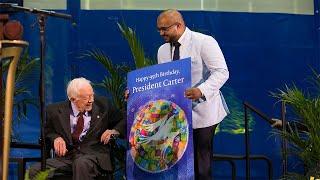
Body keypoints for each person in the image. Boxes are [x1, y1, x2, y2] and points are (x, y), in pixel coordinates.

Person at [156, 9, 229, 179]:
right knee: (180, 164)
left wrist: (200, 90)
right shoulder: (162, 51)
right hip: (176, 115)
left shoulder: (204, 42)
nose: (161, 33)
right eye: (159, 29)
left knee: (201, 165)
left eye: (164, 29)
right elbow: (162, 82)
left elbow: (221, 73)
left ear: (178, 26)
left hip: (204, 113)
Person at [29, 77, 125, 180]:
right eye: (85, 98)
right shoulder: (54, 111)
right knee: (35, 170)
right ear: (72, 99)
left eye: (92, 95)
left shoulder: (103, 105)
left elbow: (123, 119)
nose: (91, 100)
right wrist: (56, 138)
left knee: (81, 164)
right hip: (67, 158)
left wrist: (114, 131)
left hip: (94, 156)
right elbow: (47, 131)